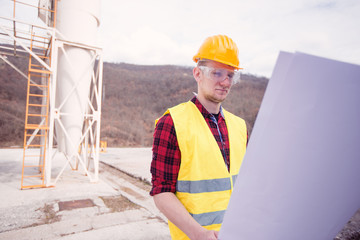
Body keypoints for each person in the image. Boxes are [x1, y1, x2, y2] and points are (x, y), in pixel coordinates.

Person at [150, 35, 247, 240]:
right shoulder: (172, 122)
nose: (225, 82)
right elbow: (161, 192)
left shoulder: (239, 126)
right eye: (217, 73)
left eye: (230, 75)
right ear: (197, 73)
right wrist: (199, 234)